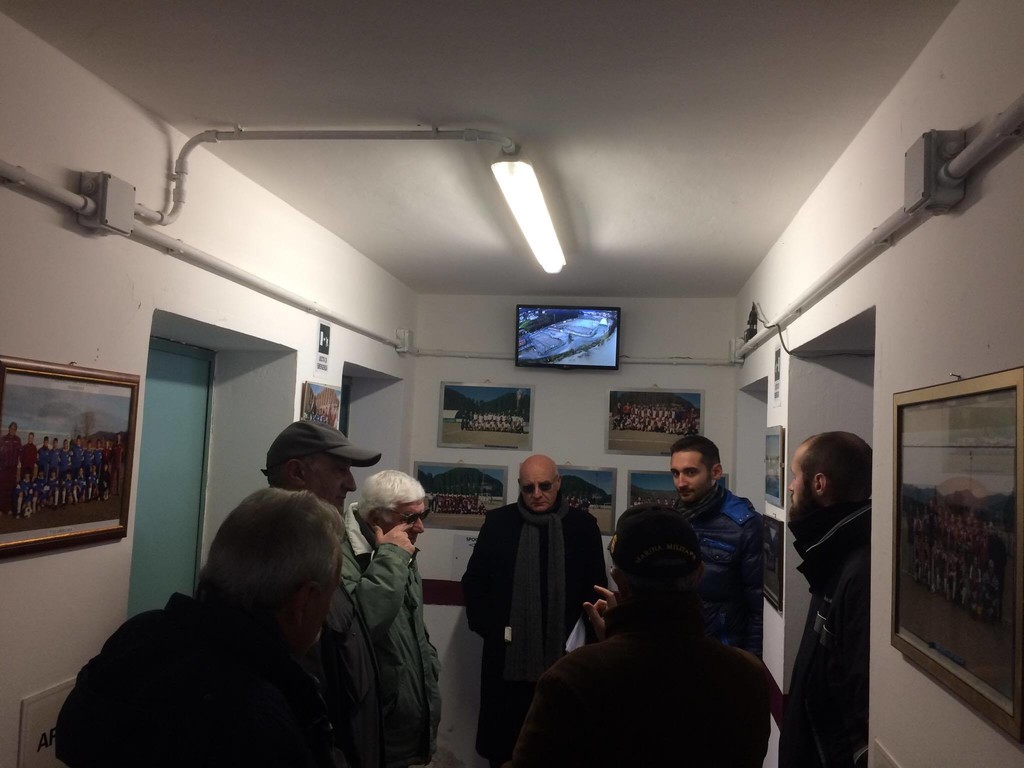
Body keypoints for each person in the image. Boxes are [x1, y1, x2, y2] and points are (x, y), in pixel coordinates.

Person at [56, 488, 343, 768]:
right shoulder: (260, 721)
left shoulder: (136, 637)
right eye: (329, 595)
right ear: (304, 601)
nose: (328, 611)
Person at [507, 503, 770, 767]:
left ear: (619, 581)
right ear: (699, 574)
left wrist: (611, 645)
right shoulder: (746, 675)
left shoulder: (571, 679)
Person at [462, 454, 607, 768]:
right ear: (519, 486)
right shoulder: (499, 524)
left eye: (544, 486)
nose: (537, 494)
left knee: (562, 750)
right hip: (508, 664)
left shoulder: (583, 527)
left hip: (566, 663)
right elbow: (474, 585)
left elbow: (595, 589)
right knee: (506, 749)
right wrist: (496, 631)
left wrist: (585, 642)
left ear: (558, 483)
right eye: (529, 488)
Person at [264, 419, 385, 768]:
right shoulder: (278, 562)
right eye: (339, 470)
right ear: (297, 472)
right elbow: (304, 703)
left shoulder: (316, 548)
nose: (351, 483)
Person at [779, 431, 872, 768]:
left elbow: (859, 704)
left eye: (795, 475)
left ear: (818, 484)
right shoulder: (835, 551)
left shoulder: (859, 569)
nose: (790, 486)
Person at [343, 470, 441, 768]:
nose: (420, 527)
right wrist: (391, 557)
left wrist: (429, 665)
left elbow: (412, 624)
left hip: (404, 710)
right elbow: (363, 626)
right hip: (372, 720)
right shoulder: (341, 553)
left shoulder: (396, 546)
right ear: (375, 517)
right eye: (410, 518)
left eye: (423, 515)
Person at [670, 435, 764, 655]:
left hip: (723, 653)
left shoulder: (745, 525)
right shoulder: (672, 519)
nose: (680, 483)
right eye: (675, 473)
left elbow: (759, 608)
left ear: (716, 472)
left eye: (690, 472)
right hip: (676, 645)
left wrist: (749, 663)